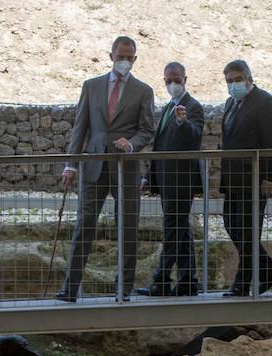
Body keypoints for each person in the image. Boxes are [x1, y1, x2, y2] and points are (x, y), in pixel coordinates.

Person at [57, 36, 156, 303]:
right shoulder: (91, 86)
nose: (125, 61)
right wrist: (71, 164)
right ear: (111, 56)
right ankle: (70, 288)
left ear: (135, 59)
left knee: (127, 228)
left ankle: (123, 289)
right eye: (120, 56)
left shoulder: (143, 91)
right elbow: (80, 128)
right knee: (84, 225)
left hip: (126, 168)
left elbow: (147, 129)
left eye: (129, 58)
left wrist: (131, 144)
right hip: (94, 166)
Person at [136, 62, 206, 298]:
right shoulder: (168, 107)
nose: (172, 84)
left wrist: (182, 122)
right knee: (180, 230)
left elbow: (194, 137)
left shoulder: (193, 107)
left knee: (172, 230)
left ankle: (162, 280)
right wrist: (149, 177)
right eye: (168, 80)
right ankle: (188, 281)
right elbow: (160, 147)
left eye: (177, 80)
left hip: (181, 181)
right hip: (167, 181)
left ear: (185, 79)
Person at [219, 59, 272, 296]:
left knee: (248, 231)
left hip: (254, 179)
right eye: (229, 81)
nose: (233, 84)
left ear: (249, 78)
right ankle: (269, 270)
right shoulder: (230, 103)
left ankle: (242, 282)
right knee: (231, 224)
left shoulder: (264, 101)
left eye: (238, 79)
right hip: (233, 179)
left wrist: (269, 178)